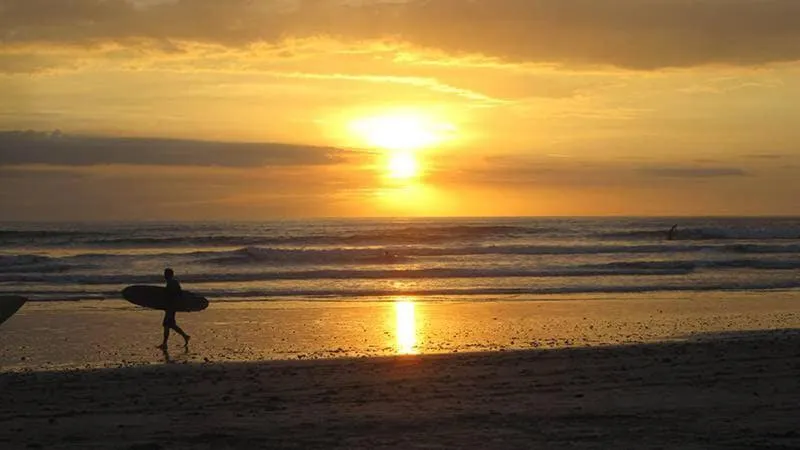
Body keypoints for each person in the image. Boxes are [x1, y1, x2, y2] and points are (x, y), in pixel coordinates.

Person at [158, 268, 190, 349]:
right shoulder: (173, 282)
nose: (164, 275)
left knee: (167, 324)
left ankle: (165, 344)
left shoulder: (171, 283)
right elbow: (179, 293)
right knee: (170, 325)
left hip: (171, 307)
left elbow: (171, 295)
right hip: (171, 307)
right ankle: (185, 336)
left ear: (169, 275)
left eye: (165, 274)